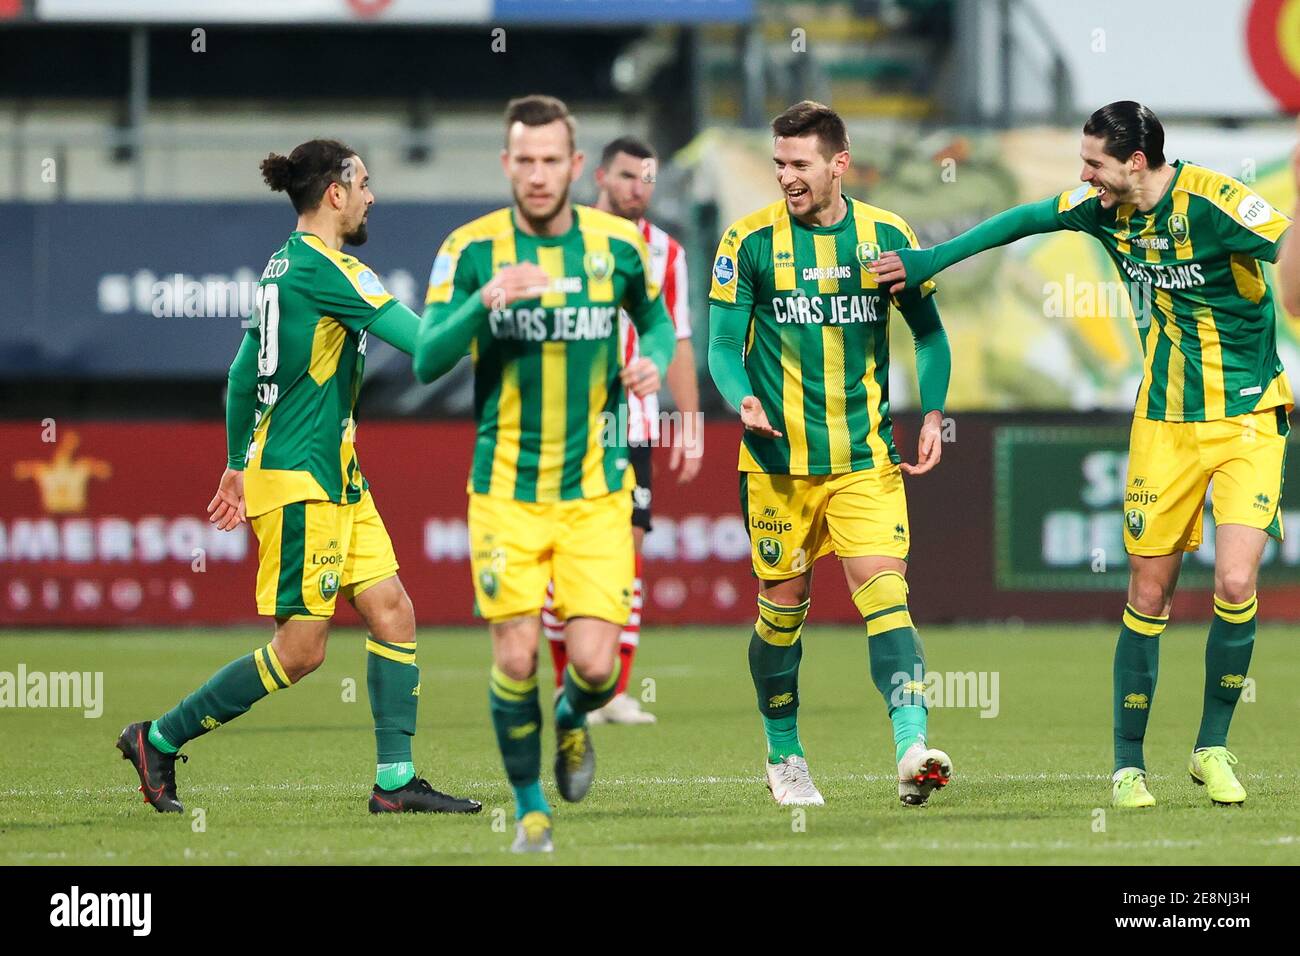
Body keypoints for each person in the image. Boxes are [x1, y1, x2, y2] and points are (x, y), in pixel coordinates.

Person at [871, 101, 1294, 808]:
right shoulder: (1102, 208)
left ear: (1135, 162)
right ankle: (1128, 765)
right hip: (1164, 423)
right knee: (1149, 591)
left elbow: (1286, 244)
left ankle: (1212, 749)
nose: (1084, 175)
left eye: (1094, 162)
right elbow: (1020, 220)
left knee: (1234, 584)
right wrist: (929, 260)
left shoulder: (1220, 203)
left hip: (1249, 415)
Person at [118, 139, 481, 816]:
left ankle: (395, 783)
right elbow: (431, 349)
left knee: (394, 609)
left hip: (336, 478)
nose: (373, 196)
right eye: (365, 184)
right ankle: (157, 737)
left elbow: (237, 376)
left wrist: (232, 462)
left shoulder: (279, 267)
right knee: (301, 651)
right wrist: (489, 303)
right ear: (335, 193)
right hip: (301, 480)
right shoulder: (331, 270)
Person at [413, 96, 675, 852]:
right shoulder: (469, 251)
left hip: (597, 493)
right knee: (517, 655)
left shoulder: (617, 245)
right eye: (522, 160)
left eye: (550, 160)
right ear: (506, 164)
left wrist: (652, 355)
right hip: (505, 495)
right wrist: (483, 306)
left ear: (575, 166)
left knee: (594, 670)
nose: (535, 174)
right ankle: (531, 811)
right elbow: (428, 357)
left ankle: (569, 721)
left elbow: (652, 317)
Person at [708, 101, 953, 808]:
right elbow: (726, 346)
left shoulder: (885, 236)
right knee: (782, 613)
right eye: (779, 163)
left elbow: (929, 335)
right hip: (778, 467)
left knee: (886, 595)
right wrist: (742, 399)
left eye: (800, 164)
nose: (786, 176)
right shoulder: (748, 242)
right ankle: (784, 756)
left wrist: (933, 410)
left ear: (838, 163)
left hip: (865, 460)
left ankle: (911, 749)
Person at [543, 134, 701, 725]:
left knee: (626, 558)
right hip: (563, 425)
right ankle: (571, 687)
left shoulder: (667, 253)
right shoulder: (565, 236)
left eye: (649, 179)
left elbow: (678, 338)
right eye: (630, 177)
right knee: (560, 561)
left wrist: (689, 423)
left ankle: (611, 690)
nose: (640, 189)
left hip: (630, 427)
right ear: (602, 178)